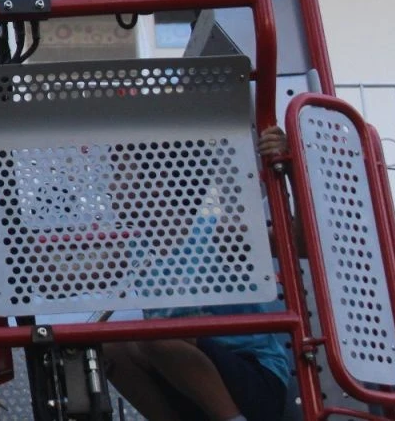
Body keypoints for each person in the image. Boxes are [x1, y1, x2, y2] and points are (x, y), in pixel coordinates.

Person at [101, 126, 294, 421]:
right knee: (111, 346)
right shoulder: (135, 247)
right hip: (186, 374)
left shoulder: (218, 234)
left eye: (119, 174)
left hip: (253, 378)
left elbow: (302, 243)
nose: (110, 188)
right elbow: (59, 277)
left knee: (158, 335)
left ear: (156, 182)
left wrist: (290, 166)